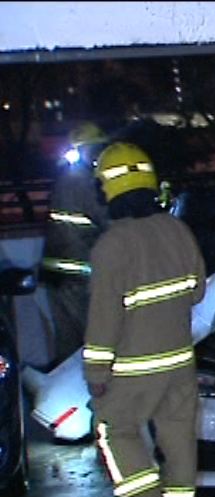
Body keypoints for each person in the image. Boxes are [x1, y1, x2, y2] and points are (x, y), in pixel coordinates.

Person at [84, 141, 207, 497]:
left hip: (133, 369)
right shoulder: (178, 229)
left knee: (112, 429)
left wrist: (96, 374)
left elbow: (104, 318)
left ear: (108, 189)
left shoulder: (112, 245)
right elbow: (197, 292)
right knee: (178, 437)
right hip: (181, 362)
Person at [41, 121, 111, 365]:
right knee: (93, 344)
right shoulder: (86, 182)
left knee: (68, 345)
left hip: (57, 274)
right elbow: (110, 221)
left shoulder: (66, 179)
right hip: (81, 274)